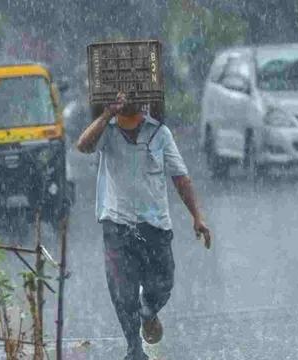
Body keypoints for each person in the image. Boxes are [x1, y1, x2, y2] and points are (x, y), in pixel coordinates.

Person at [76, 92, 212, 360]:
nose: (126, 99)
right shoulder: (107, 131)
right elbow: (83, 145)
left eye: (131, 95)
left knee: (163, 283)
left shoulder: (160, 134)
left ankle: (148, 310)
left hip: (155, 226)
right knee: (122, 293)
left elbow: (180, 177)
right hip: (117, 226)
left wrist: (197, 216)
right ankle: (134, 349)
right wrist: (106, 114)